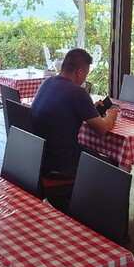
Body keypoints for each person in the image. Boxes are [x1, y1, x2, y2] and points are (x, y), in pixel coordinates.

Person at [31, 48, 119, 180]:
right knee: (112, 166)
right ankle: (86, 193)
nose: (84, 80)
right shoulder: (78, 92)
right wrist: (111, 115)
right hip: (60, 163)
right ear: (79, 72)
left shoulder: (47, 82)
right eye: (85, 75)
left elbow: (64, 111)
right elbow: (102, 129)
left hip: (39, 157)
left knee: (89, 152)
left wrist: (90, 109)